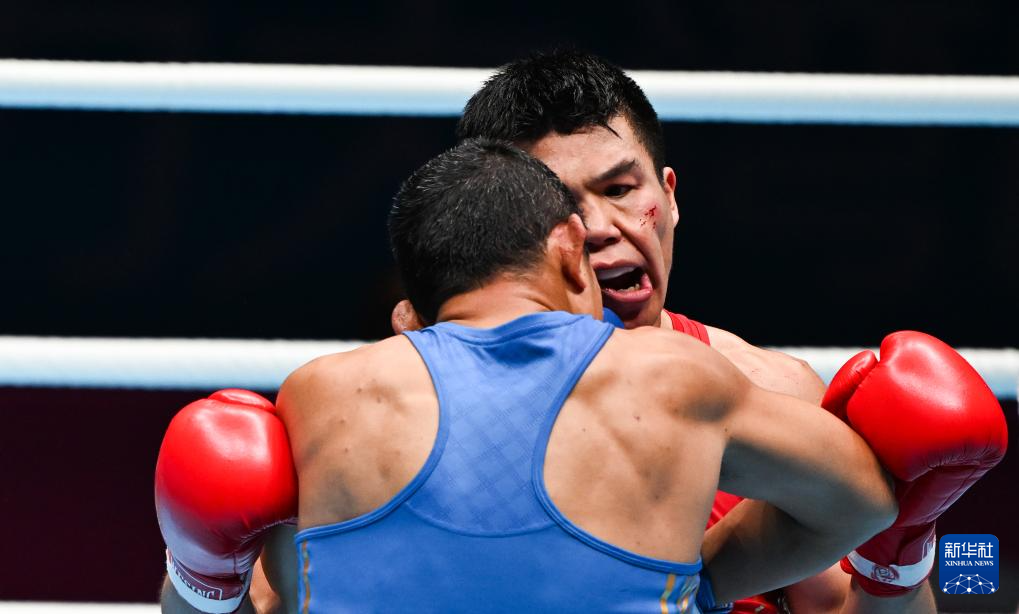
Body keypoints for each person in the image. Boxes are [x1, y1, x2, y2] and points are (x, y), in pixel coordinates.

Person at [155, 139, 1007, 613]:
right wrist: (697, 579)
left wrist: (202, 577)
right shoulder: (681, 381)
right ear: (570, 255)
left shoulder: (321, 397)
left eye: (622, 189)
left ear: (411, 314)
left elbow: (275, 597)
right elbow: (865, 506)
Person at [386, 49, 938, 613]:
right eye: (557, 205)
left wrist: (898, 557)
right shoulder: (414, 401)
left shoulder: (773, 391)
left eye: (620, 189)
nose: (597, 229)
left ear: (669, 198)